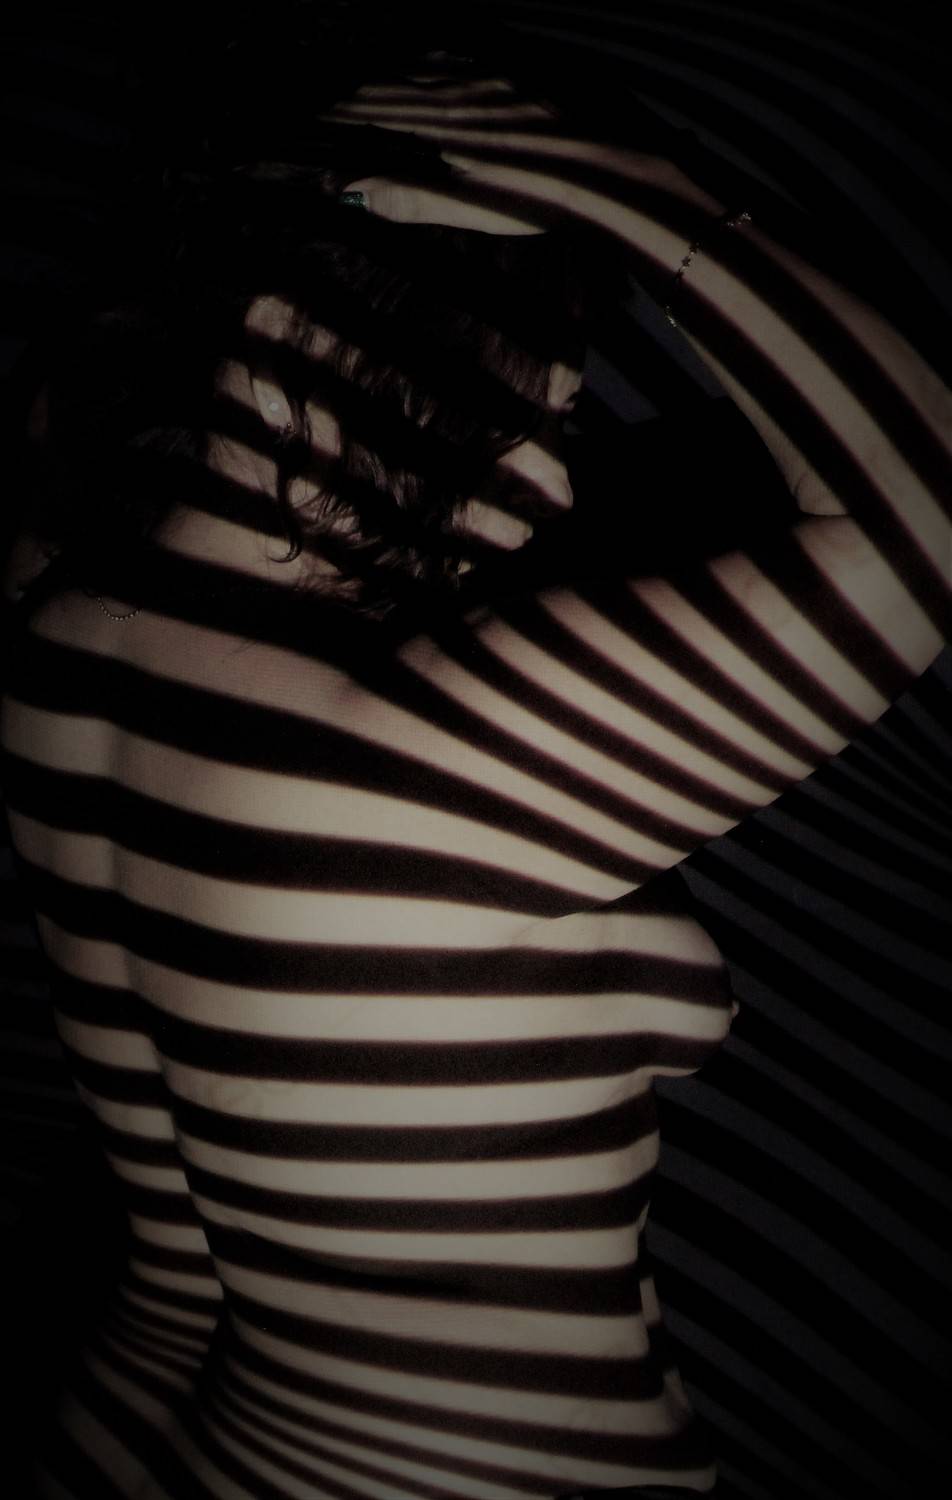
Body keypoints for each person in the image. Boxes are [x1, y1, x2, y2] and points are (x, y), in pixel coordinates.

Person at [2, 47, 949, 1500]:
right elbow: (927, 529)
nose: (552, 483)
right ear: (289, 336)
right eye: (530, 417)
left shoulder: (55, 626)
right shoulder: (429, 744)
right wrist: (655, 202)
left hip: (137, 1420)